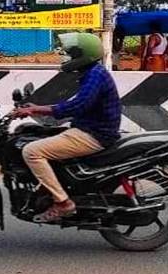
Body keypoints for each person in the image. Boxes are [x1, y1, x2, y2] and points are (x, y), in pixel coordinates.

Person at [10, 33, 121, 223]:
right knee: (38, 137)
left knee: (31, 151)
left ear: (83, 55)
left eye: (71, 54)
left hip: (94, 135)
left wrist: (36, 110)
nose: (67, 58)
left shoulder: (95, 75)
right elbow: (77, 103)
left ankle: (63, 203)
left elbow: (77, 106)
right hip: (89, 129)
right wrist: (37, 109)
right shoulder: (93, 73)